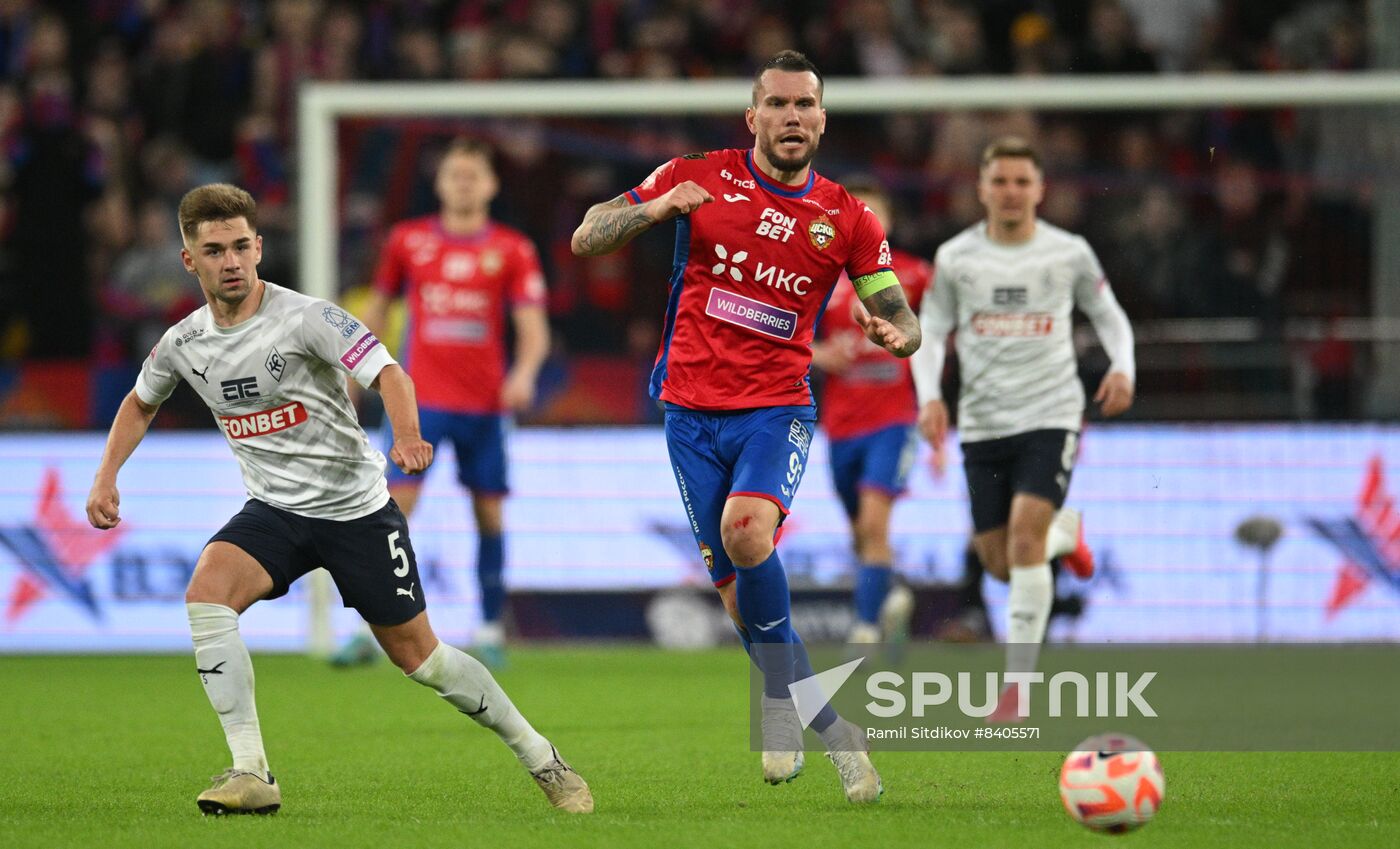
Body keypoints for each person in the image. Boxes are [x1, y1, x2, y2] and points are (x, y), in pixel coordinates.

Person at [85, 184, 590, 815]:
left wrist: (407, 436)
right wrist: (107, 475)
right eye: (215, 250)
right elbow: (140, 400)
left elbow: (389, 372)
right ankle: (251, 772)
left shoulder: (307, 318)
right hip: (274, 510)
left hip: (356, 511)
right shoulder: (184, 343)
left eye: (242, 245)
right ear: (191, 260)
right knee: (207, 594)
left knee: (422, 660)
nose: (232, 261)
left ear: (260, 247)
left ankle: (541, 755)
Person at [571, 50, 920, 803]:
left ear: (823, 119)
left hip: (776, 408)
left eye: (807, 105)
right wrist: (654, 210)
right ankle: (817, 718)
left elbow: (898, 310)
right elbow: (587, 236)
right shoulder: (695, 174)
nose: (793, 117)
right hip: (688, 412)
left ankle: (796, 716)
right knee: (741, 605)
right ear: (753, 117)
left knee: (747, 531)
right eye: (780, 104)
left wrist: (899, 332)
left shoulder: (847, 216)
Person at [911, 137, 1134, 723]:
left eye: (1021, 182)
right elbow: (929, 333)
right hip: (983, 422)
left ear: (1040, 189)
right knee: (1000, 563)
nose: (1011, 192)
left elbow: (1109, 316)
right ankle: (1070, 533)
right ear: (982, 188)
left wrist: (1123, 367)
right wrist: (930, 396)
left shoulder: (1068, 253)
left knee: (1024, 544)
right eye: (1000, 181)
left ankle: (1017, 691)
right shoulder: (957, 257)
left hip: (1051, 414)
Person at [332, 137, 550, 670]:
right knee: (390, 513)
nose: (464, 183)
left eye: (474, 175)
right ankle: (370, 630)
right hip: (419, 403)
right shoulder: (407, 242)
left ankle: (491, 627)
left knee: (489, 514)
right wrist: (354, 375)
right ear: (440, 182)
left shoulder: (513, 249)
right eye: (455, 174)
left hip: (485, 406)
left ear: (491, 185)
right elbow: (378, 311)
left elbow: (533, 329)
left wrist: (523, 374)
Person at [809, 178, 930, 647]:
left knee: (875, 523)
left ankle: (864, 629)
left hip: (894, 421)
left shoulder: (916, 276)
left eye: (876, 217)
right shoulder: (822, 281)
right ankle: (891, 596)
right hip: (841, 425)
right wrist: (821, 356)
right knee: (862, 533)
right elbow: (792, 336)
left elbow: (943, 335)